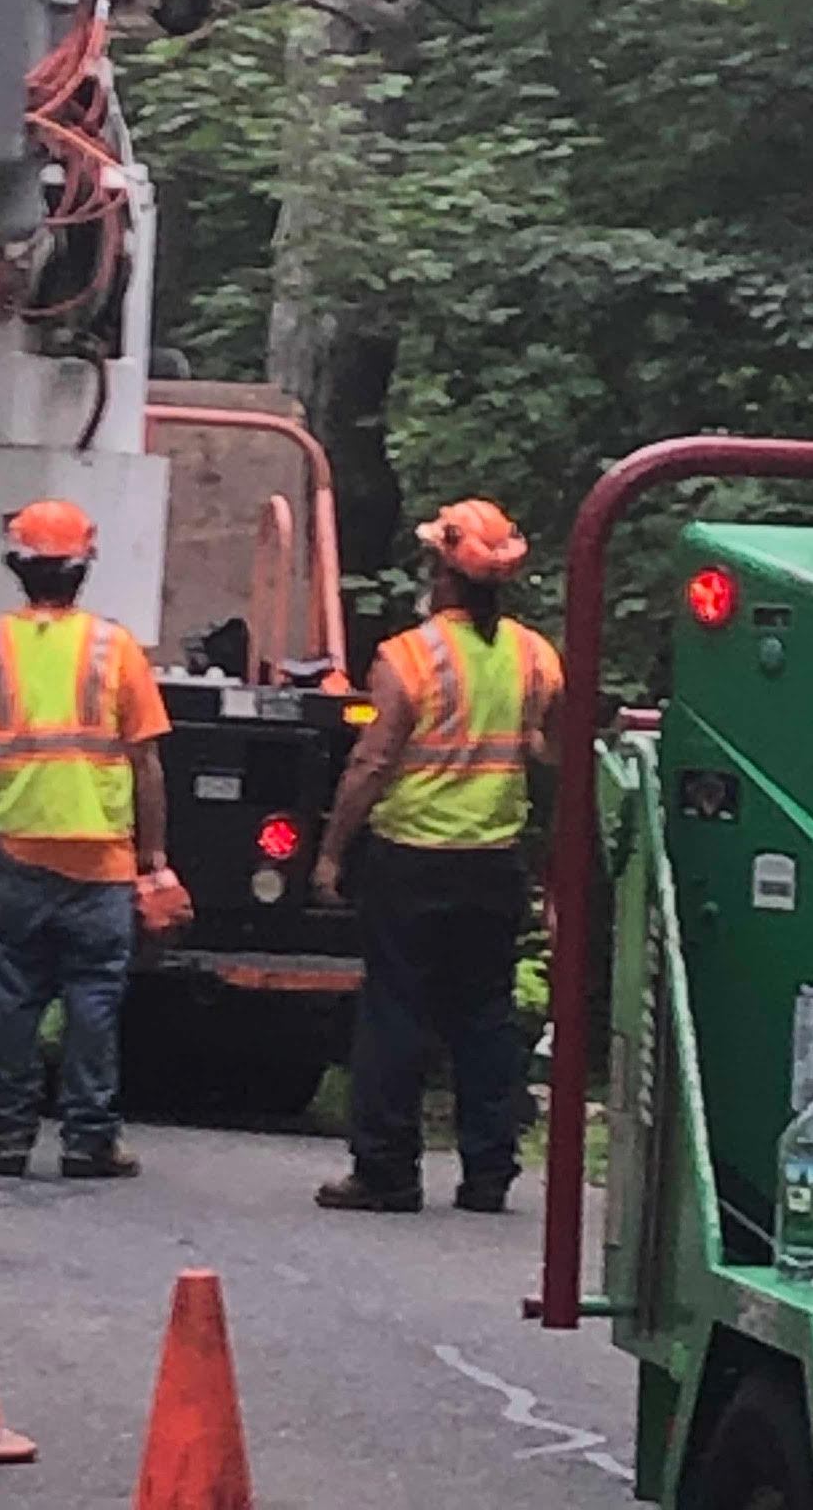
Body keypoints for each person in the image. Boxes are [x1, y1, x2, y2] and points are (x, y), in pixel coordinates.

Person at [312, 498, 563, 1216]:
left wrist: (333, 852)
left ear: (442, 576)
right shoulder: (535, 657)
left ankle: (386, 1171)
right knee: (483, 1016)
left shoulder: (408, 658)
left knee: (396, 1012)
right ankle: (489, 1170)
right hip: (493, 860)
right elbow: (555, 752)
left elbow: (372, 762)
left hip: (412, 858)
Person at [0, 499, 170, 1179]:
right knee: (94, 1000)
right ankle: (89, 1141)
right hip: (101, 863)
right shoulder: (114, 648)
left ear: (16, 568)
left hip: (18, 855)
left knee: (14, 999)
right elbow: (146, 762)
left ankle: (8, 1138)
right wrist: (153, 859)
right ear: (83, 570)